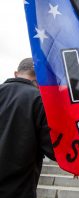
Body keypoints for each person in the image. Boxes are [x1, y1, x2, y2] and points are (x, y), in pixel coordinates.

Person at [0, 58, 55, 198]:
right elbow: (54, 150)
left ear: (16, 73)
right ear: (40, 79)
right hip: (19, 191)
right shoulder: (40, 101)